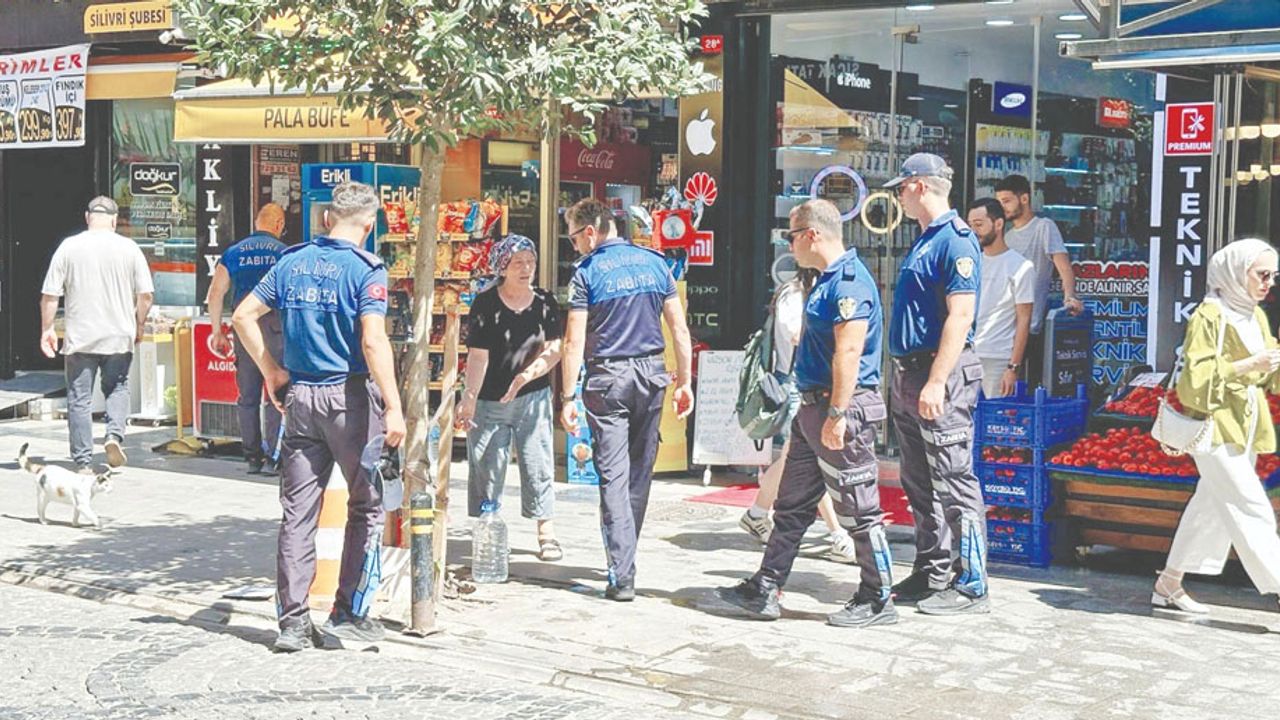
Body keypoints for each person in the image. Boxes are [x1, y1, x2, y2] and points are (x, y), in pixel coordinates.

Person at [233, 181, 406, 652]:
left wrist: (271, 370)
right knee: (366, 505)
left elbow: (243, 316)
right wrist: (393, 406)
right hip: (349, 400)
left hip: (301, 399)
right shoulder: (366, 270)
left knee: (298, 514)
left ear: (328, 219)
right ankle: (348, 610)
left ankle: (291, 622)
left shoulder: (291, 263)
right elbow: (373, 341)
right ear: (369, 225)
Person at [718, 198, 896, 628]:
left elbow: (849, 351)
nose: (790, 244)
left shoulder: (848, 282)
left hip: (840, 409)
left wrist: (837, 413)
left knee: (859, 508)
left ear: (812, 234)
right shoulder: (825, 279)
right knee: (793, 504)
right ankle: (767, 586)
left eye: (792, 235)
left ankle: (877, 597)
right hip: (813, 409)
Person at [559, 198, 694, 602]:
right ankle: (624, 559)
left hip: (609, 378)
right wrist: (685, 381)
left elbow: (573, 340)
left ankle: (622, 572)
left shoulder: (587, 272)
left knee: (614, 475)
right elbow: (680, 330)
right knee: (639, 472)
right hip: (652, 374)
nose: (574, 247)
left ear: (589, 232)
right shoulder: (655, 263)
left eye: (572, 238)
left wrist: (567, 395)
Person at [885, 153, 990, 616]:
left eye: (900, 188)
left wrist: (937, 381)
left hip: (936, 373)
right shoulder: (926, 240)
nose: (897, 196)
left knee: (953, 477)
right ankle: (933, 568)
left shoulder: (956, 242)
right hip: (910, 373)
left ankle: (972, 583)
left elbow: (960, 315)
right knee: (919, 480)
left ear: (920, 186)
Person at [1154, 239, 1280, 614]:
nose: (1268, 283)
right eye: (1262, 274)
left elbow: (1265, 371)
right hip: (1214, 424)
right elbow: (1196, 379)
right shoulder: (1210, 315)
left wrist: (1268, 364)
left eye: (1273, 276)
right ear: (1237, 272)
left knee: (1209, 504)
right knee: (1251, 504)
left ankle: (1168, 582)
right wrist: (1249, 365)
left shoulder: (1254, 314)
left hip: (1245, 422)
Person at [739, 267, 864, 564]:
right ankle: (838, 536)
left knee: (796, 458)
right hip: (794, 384)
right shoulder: (794, 295)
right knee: (812, 459)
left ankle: (757, 513)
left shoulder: (809, 293)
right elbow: (797, 335)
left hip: (807, 384)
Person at [456, 235, 564, 562]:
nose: (526, 268)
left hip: (533, 397)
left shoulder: (545, 302)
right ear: (503, 267)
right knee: (487, 465)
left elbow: (555, 350)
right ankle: (490, 531)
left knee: (539, 463)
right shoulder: (485, 304)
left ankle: (546, 532)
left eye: (530, 262)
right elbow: (477, 356)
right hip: (490, 399)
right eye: (518, 263)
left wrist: (526, 377)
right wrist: (469, 398)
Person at [39, 196, 154, 474]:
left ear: (87, 217)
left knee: (79, 399)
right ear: (115, 220)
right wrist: (138, 324)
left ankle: (83, 462)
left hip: (81, 337)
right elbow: (146, 295)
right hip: (118, 335)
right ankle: (114, 436)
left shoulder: (69, 247)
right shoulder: (129, 248)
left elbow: (50, 295)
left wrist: (47, 329)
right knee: (117, 387)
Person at [206, 203, 287, 472]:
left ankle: (252, 457)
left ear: (256, 222)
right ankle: (276, 457)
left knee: (248, 396)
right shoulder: (285, 253)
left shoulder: (233, 253)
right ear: (279, 225)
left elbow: (215, 293)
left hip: (244, 330)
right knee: (277, 392)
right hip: (277, 330)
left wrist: (217, 331)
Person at [994, 174, 1083, 387]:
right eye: (999, 202)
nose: (1002, 207)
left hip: (1030, 326)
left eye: (1007, 201)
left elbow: (1063, 265)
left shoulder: (1044, 227)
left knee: (1027, 388)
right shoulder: (1006, 236)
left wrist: (1069, 297)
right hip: (1003, 327)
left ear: (1024, 199)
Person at [967, 198, 1034, 399]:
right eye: (970, 225)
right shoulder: (970, 262)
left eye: (979, 225)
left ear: (998, 224)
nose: (973, 231)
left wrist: (1013, 367)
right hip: (967, 354)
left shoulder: (1020, 266)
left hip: (998, 357)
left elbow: (1024, 319)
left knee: (996, 421)